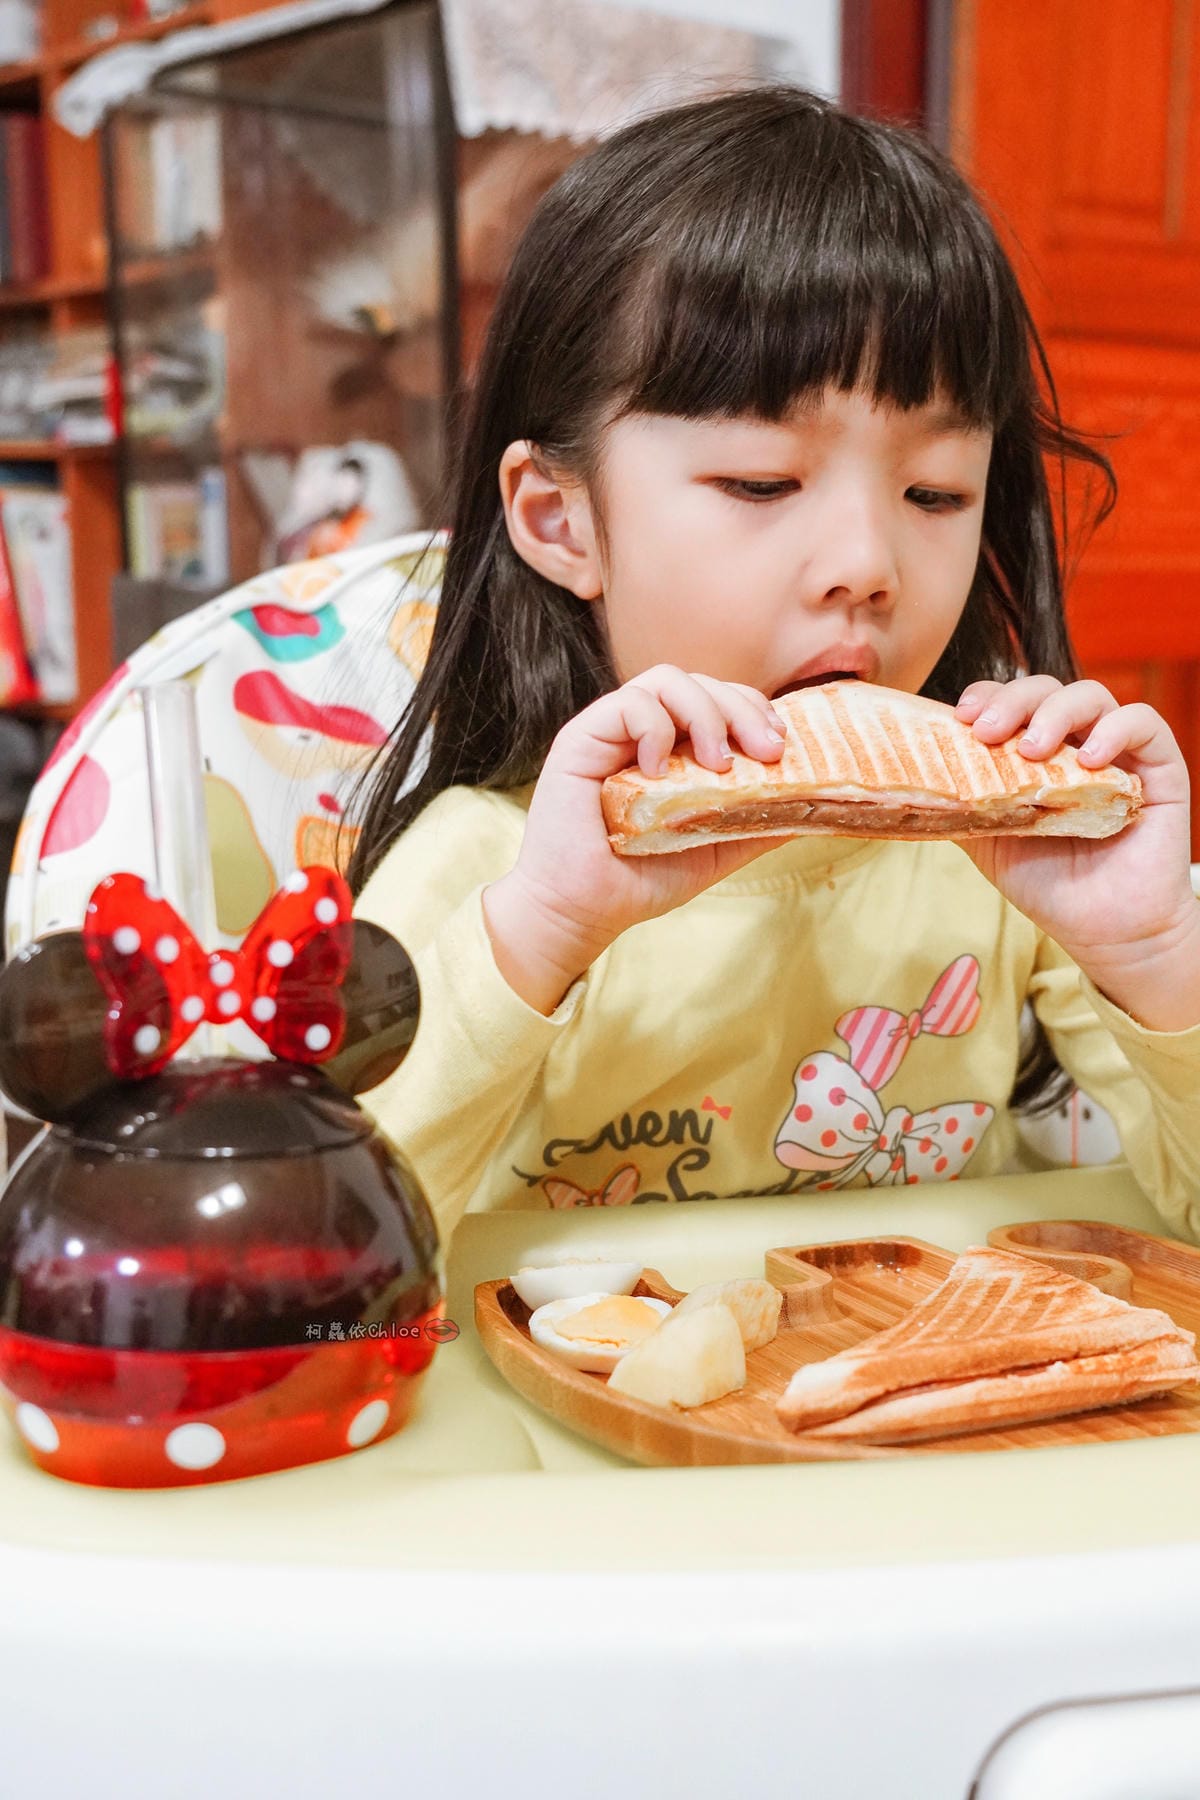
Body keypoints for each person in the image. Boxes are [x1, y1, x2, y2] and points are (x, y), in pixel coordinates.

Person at [347, 85, 1200, 1242]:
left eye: (936, 492)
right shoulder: (495, 872)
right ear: (562, 522)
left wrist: (1154, 957)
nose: (866, 564)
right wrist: (541, 934)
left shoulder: (1006, 868)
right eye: (761, 482)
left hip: (933, 1410)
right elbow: (322, 1261)